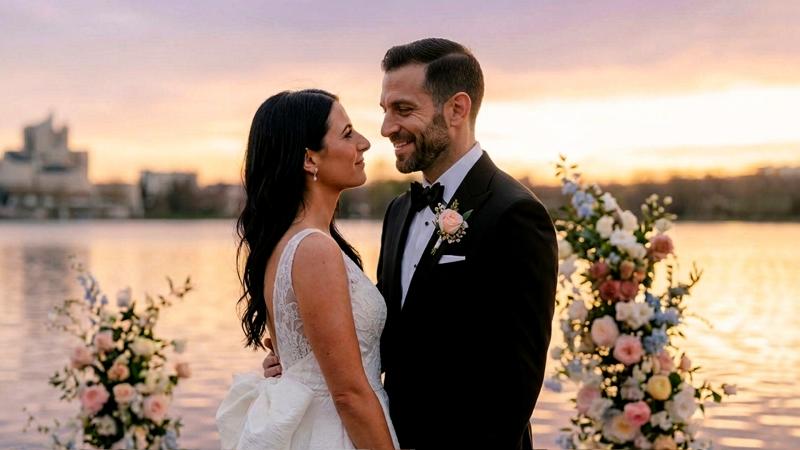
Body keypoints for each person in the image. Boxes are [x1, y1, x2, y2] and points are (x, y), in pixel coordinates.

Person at [263, 38, 558, 449]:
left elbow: (513, 390)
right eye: (385, 111)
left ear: (457, 109)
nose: (385, 129)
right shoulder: (399, 211)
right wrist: (307, 362)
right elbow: (391, 337)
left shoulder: (514, 215)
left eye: (403, 110)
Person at [216, 89, 399, 449]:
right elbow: (347, 393)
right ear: (309, 159)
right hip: (337, 432)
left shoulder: (287, 242)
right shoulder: (313, 249)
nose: (364, 143)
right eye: (347, 134)